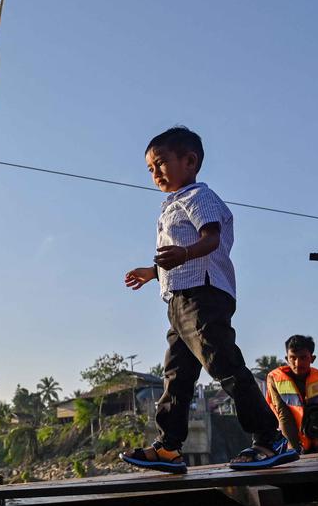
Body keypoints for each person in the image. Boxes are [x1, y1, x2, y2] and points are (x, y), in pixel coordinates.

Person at [120, 126, 298, 473]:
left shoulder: (199, 196)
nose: (155, 173)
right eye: (150, 168)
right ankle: (169, 447)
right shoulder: (171, 204)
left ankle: (270, 437)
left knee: (223, 364)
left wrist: (183, 252)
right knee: (177, 376)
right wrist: (152, 271)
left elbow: (210, 239)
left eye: (161, 163)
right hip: (179, 301)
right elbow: (180, 261)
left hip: (203, 296)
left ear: (190, 161)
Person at [265, 335, 318, 454]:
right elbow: (283, 415)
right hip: (292, 442)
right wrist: (294, 451)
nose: (298, 363)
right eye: (293, 358)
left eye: (303, 358)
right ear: (286, 359)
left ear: (312, 358)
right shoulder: (274, 380)